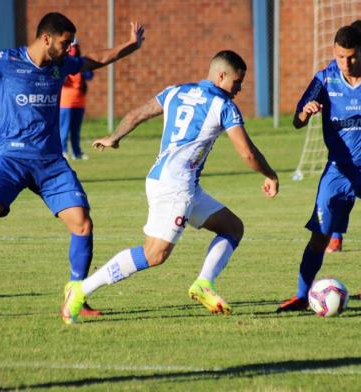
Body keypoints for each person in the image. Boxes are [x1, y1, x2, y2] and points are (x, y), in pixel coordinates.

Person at [61, 50, 279, 324]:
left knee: (233, 227)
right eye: (237, 82)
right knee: (154, 254)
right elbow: (247, 153)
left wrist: (114, 137)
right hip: (176, 189)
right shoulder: (223, 105)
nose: (239, 89)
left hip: (170, 181)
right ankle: (80, 290)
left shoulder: (176, 91)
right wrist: (270, 174)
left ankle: (203, 284)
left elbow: (138, 113)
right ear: (221, 76)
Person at [0, 12, 144, 316]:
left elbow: (94, 60)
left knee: (82, 223)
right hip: (10, 159)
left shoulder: (61, 65)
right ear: (46, 38)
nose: (69, 49)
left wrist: (130, 45)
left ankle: (76, 294)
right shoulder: (6, 60)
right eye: (65, 43)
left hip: (50, 162)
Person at [277, 25, 361, 312]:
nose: (345, 64)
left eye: (351, 57)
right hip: (338, 170)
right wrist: (306, 112)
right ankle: (302, 296)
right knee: (320, 234)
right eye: (340, 57)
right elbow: (297, 120)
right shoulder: (325, 79)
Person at [325, 20, 361, 254]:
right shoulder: (332, 73)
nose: (346, 62)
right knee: (340, 193)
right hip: (344, 147)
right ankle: (335, 236)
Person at [60, 38, 93, 160]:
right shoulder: (62, 62)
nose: (72, 50)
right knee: (64, 129)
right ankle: (63, 151)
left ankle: (76, 152)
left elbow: (90, 75)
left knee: (76, 130)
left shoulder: (80, 62)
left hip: (79, 102)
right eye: (70, 47)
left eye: (75, 47)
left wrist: (80, 69)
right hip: (65, 102)